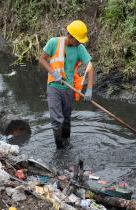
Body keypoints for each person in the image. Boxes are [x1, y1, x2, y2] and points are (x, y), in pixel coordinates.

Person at [39, 20, 94, 149]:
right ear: (70, 36)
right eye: (78, 40)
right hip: (54, 87)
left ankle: (67, 144)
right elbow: (42, 60)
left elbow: (90, 67)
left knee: (67, 119)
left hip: (69, 89)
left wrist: (89, 89)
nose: (80, 42)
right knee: (57, 120)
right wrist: (53, 73)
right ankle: (59, 149)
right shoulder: (54, 42)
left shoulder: (80, 48)